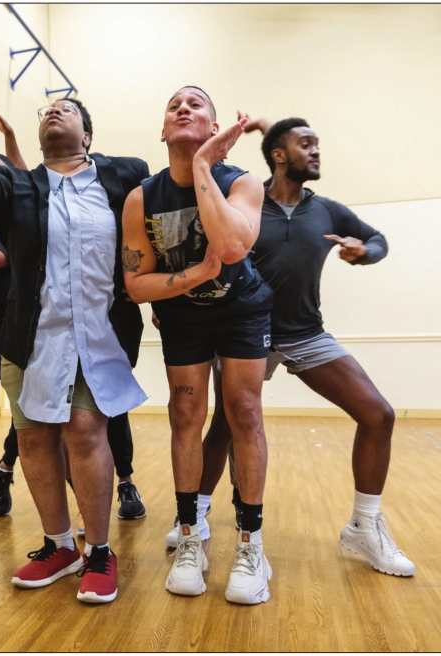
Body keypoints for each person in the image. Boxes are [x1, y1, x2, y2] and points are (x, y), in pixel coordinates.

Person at [0, 50, 149, 604]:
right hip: (29, 338)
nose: (54, 112)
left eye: (66, 108)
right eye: (46, 110)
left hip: (101, 333)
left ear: (87, 135)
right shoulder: (19, 189)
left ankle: (99, 551)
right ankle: (59, 545)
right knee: (33, 437)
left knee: (85, 431)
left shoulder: (126, 175)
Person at [192, 116, 415, 578]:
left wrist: (363, 252)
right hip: (245, 333)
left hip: (306, 333)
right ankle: (194, 515)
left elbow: (377, 240)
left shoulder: (327, 211)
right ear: (279, 155)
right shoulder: (248, 202)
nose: (316, 151)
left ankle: (364, 525)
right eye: (306, 144)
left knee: (378, 414)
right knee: (225, 426)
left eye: (317, 144)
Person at [121, 87, 274, 604]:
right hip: (183, 315)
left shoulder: (243, 182)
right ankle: (190, 536)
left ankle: (251, 545)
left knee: (244, 412)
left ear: (213, 128)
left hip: (242, 310)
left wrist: (204, 165)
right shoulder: (142, 198)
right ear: (163, 131)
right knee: (185, 415)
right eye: (173, 106)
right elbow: (136, 285)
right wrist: (195, 276)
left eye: (196, 104)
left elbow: (230, 247)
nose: (183, 108)